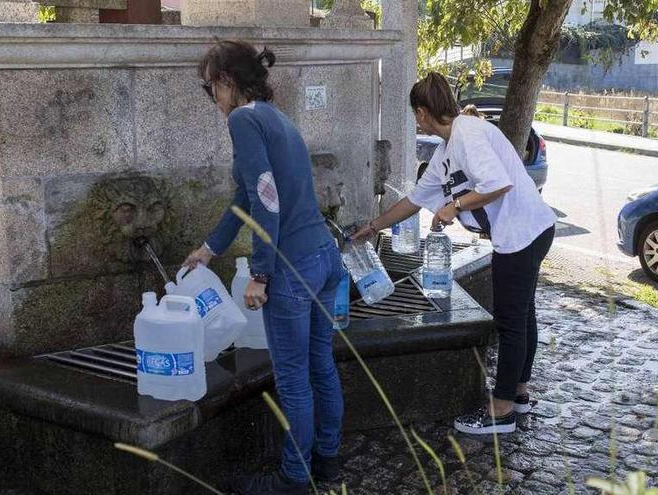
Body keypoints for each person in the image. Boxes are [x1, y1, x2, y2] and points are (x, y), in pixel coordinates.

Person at [352, 72, 556, 435]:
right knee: (523, 315)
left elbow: (497, 183)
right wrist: (375, 226)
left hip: (522, 233)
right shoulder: (446, 151)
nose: (417, 119)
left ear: (423, 112)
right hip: (527, 231)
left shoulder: (469, 132)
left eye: (417, 114)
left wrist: (452, 207)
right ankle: (519, 393)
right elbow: (414, 201)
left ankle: (501, 410)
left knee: (510, 322)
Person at [184, 41, 344, 494]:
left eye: (211, 86)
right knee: (321, 367)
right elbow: (246, 196)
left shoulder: (242, 119)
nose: (212, 97)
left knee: (294, 378)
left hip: (290, 268)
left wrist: (260, 273)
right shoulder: (276, 118)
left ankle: (294, 479)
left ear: (228, 82)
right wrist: (209, 248)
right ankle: (328, 463)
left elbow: (265, 199)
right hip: (322, 257)